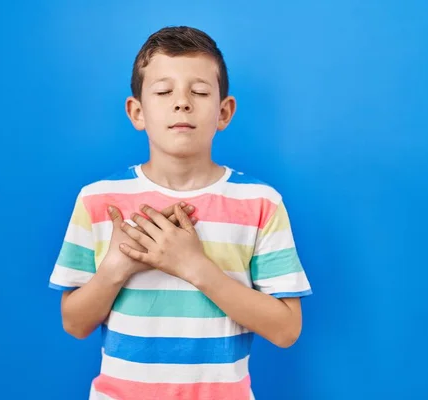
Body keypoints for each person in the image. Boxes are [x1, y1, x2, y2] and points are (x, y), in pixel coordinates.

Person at [48, 25, 312, 400]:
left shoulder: (261, 203)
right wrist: (115, 268)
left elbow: (286, 330)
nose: (182, 102)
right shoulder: (98, 200)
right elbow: (74, 323)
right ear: (136, 112)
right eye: (163, 91)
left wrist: (194, 267)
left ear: (224, 112)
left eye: (200, 91)